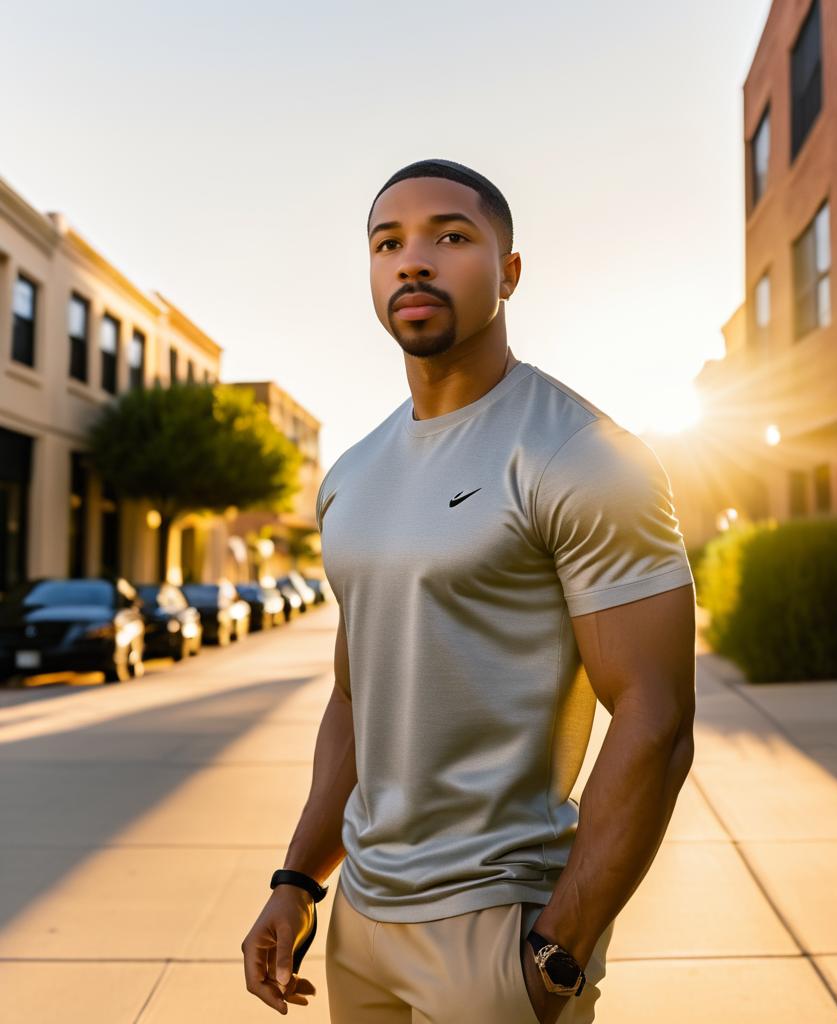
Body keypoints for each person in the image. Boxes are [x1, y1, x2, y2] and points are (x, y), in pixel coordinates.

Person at [242, 158, 697, 1023]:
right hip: (361, 924)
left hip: (496, 926)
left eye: (450, 236)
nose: (413, 261)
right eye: (388, 243)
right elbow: (355, 693)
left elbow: (657, 719)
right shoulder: (351, 475)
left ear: (509, 272)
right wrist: (298, 880)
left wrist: (557, 953)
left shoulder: (582, 453)